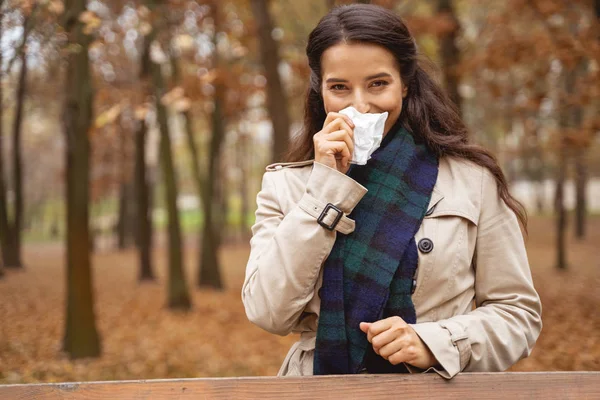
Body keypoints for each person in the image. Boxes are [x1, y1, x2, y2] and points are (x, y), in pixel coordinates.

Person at [242, 4, 542, 379]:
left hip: (434, 387)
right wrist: (323, 190)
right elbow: (268, 311)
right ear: (321, 92)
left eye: (377, 84)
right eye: (339, 87)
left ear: (405, 82)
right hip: (319, 386)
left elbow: (518, 315)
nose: (360, 105)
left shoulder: (473, 180)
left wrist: (436, 342)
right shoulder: (287, 186)